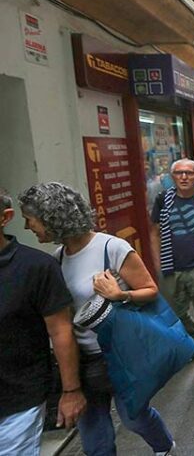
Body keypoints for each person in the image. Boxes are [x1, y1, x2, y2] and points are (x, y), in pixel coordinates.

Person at [19, 183, 176, 456]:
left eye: (29, 220)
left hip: (121, 353)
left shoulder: (111, 247)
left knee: (134, 418)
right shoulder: (57, 259)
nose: (27, 227)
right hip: (84, 361)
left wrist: (119, 294)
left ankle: (164, 447)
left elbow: (150, 291)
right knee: (95, 441)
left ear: (51, 217)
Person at [0, 188, 86, 456]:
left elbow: (61, 331)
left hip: (18, 401)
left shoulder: (36, 267)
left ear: (5, 217)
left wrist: (71, 390)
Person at [150, 158, 194, 383]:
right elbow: (155, 233)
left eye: (189, 173)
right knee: (174, 313)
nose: (183, 177)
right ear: (172, 176)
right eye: (179, 173)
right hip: (171, 267)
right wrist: (157, 264)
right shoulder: (163, 200)